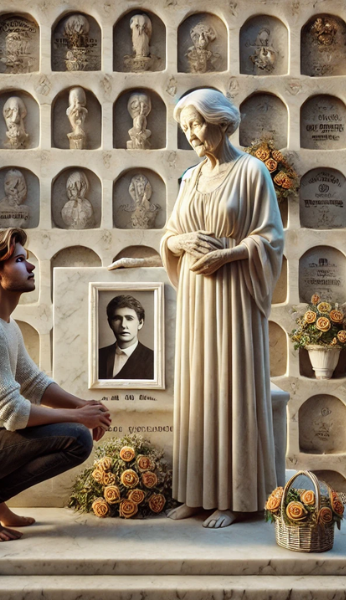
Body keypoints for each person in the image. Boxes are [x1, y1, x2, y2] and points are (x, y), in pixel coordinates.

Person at [0, 228, 111, 542]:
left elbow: (33, 382)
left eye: (26, 260)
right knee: (77, 439)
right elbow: (12, 413)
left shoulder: (3, 321)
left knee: (73, 428)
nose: (30, 267)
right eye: (18, 260)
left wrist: (81, 405)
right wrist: (77, 418)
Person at [160, 88, 284, 528]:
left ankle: (234, 497)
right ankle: (197, 491)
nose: (191, 134)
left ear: (221, 122)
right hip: (196, 295)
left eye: (196, 124)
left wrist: (227, 255)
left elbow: (271, 239)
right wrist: (181, 242)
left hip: (234, 295)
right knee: (199, 391)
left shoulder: (252, 172)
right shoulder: (190, 177)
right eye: (185, 128)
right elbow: (170, 234)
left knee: (232, 389)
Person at [98, 294, 154, 380]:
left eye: (129, 318)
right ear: (110, 323)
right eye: (117, 318)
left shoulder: (153, 360)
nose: (123, 325)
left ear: (140, 323)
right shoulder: (98, 356)